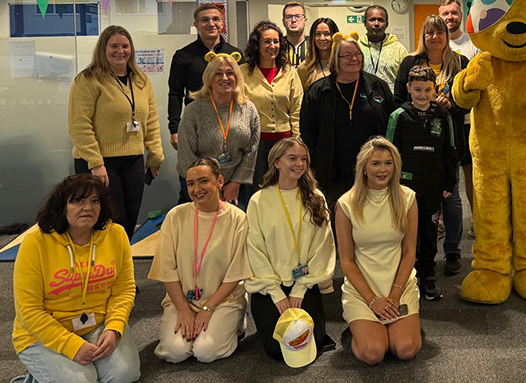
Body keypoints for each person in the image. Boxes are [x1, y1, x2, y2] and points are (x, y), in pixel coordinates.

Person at [10, 174, 139, 383]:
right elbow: (28, 311)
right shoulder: (35, 243)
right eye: (77, 201)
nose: (88, 208)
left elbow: (124, 290)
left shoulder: (117, 235)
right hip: (43, 334)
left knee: (123, 376)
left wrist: (114, 328)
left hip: (97, 325)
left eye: (95, 201)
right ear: (62, 207)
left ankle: (82, 374)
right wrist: (71, 346)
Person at [148, 158, 251, 364]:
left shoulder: (238, 219)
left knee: (206, 351)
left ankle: (237, 322)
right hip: (182, 299)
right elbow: (167, 270)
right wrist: (184, 309)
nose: (197, 189)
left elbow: (236, 274)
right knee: (174, 352)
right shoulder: (175, 216)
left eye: (204, 181)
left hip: (222, 300)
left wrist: (208, 308)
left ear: (220, 181)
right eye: (191, 183)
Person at [69, 25, 163, 239]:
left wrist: (155, 155)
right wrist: (95, 163)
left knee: (130, 218)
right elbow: (79, 125)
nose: (120, 51)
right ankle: (102, 267)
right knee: (110, 220)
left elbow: (151, 120)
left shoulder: (140, 80)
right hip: (100, 163)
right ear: (103, 49)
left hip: (133, 160)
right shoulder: (88, 79)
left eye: (125, 46)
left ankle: (121, 264)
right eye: (114, 46)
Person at [246, 138, 336, 361]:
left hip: (304, 282)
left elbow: (323, 247)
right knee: (277, 348)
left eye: (303, 159)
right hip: (269, 285)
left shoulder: (316, 198)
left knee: (309, 341)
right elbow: (254, 249)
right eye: (292, 158)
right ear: (276, 162)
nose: (299, 164)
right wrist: (276, 293)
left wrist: (299, 289)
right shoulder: (259, 200)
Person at [393, 15, 468, 276]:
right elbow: (399, 99)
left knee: (450, 197)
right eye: (429, 33)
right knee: (414, 201)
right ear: (422, 36)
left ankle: (452, 251)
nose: (435, 37)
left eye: (440, 33)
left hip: (447, 140)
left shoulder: (460, 63)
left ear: (447, 37)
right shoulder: (410, 63)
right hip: (414, 145)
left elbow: (470, 99)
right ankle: (413, 255)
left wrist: (452, 106)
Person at [336, 137, 421, 365]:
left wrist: (395, 295)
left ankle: (393, 328)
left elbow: (409, 253)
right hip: (363, 289)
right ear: (364, 167)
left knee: (405, 349)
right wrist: (373, 301)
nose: (383, 170)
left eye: (388, 163)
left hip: (399, 285)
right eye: (376, 164)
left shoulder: (407, 198)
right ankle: (360, 329)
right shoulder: (346, 204)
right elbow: (346, 262)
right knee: (374, 353)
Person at [386, 66, 458, 301]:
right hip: (405, 187)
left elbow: (450, 151)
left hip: (432, 186)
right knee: (404, 232)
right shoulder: (399, 116)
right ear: (408, 89)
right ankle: (404, 276)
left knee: (429, 232)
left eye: (428, 89)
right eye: (417, 89)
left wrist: (449, 181)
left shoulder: (443, 116)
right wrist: (390, 183)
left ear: (434, 89)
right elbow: (389, 153)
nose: (422, 94)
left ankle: (427, 275)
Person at [301, 33, 395, 209]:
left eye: (357, 54)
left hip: (373, 169)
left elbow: (392, 125)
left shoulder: (377, 86)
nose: (354, 59)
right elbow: (308, 133)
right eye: (347, 55)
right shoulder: (318, 91)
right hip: (333, 172)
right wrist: (311, 165)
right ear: (336, 59)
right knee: (337, 218)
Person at [168, 4, 243, 204]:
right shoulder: (183, 56)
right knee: (193, 187)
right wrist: (174, 128)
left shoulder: (235, 55)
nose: (211, 24)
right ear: (196, 24)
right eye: (205, 20)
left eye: (215, 19)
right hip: (196, 127)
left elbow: (242, 91)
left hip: (229, 126)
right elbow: (175, 94)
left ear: (222, 23)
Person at [177, 52, 260, 209]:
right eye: (218, 74)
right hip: (200, 185)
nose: (225, 78)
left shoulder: (248, 109)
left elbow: (252, 150)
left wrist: (235, 183)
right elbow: (186, 155)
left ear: (237, 77)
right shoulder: (194, 110)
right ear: (209, 78)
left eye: (230, 73)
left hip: (236, 184)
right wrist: (209, 187)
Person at [239, 21, 303, 199]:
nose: (272, 46)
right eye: (267, 41)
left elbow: (297, 110)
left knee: (284, 191)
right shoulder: (242, 73)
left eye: (276, 41)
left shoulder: (289, 72)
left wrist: (297, 143)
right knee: (257, 193)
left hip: (284, 143)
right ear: (256, 44)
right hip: (254, 145)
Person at [438, 0, 477, 228]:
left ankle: (477, 221)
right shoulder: (434, 44)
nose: (450, 17)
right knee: (444, 177)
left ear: (461, 15)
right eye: (446, 14)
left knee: (473, 176)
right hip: (443, 123)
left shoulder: (474, 44)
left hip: (470, 122)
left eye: (454, 13)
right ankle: (441, 221)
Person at [357, 5, 409, 92]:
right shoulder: (356, 47)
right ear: (365, 23)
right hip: (362, 100)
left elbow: (406, 80)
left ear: (387, 24)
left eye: (381, 20)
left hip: (391, 102)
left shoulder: (399, 49)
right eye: (372, 19)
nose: (376, 24)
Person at [298, 17, 339, 89]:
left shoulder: (342, 64)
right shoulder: (305, 67)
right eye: (318, 34)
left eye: (327, 34)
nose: (322, 38)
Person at [282, 2, 310, 67]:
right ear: (283, 22)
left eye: (298, 16)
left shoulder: (313, 45)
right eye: (289, 17)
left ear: (305, 21)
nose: (293, 20)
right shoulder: (278, 46)